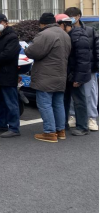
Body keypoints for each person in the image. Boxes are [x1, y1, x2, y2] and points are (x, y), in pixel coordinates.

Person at [25, 13, 71, 143]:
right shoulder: (65, 35)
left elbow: (33, 52)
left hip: (45, 75)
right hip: (61, 74)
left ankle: (50, 132)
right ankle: (60, 130)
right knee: (58, 104)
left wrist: (27, 48)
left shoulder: (45, 34)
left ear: (43, 23)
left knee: (45, 104)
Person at [64, 7, 99, 131]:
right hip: (73, 68)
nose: (71, 19)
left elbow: (96, 49)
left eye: (72, 16)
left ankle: (92, 118)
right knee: (74, 95)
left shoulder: (90, 30)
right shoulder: (66, 31)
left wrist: (96, 66)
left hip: (89, 68)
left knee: (90, 94)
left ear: (79, 16)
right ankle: (73, 116)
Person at [56, 15, 91, 137]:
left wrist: (78, 78)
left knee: (79, 101)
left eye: (58, 26)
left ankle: (83, 127)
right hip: (67, 74)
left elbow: (83, 60)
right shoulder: (68, 35)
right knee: (64, 100)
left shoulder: (78, 36)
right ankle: (63, 124)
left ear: (64, 25)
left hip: (75, 75)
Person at [0, 13, 22, 138]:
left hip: (8, 74)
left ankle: (14, 128)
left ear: (6, 23)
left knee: (11, 102)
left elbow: (7, 55)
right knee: (0, 101)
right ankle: (2, 124)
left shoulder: (12, 37)